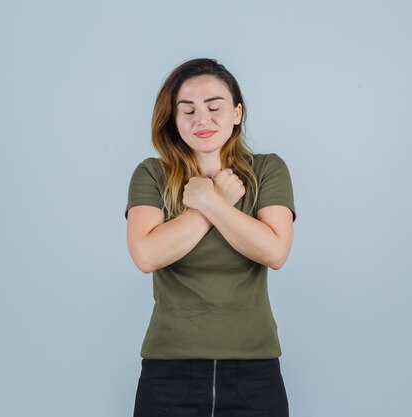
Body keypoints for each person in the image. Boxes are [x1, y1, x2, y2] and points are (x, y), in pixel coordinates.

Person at [124, 58, 297, 417]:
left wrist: (209, 201)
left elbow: (274, 251)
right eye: (187, 110)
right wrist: (211, 202)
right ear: (173, 120)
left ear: (236, 113)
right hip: (169, 371)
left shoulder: (267, 170)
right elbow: (146, 255)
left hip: (254, 370)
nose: (201, 119)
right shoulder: (151, 174)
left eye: (214, 107)